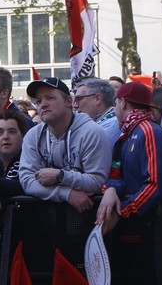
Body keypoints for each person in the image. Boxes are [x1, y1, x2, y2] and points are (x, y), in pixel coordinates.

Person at [18, 77, 113, 211]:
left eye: (50, 98)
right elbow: (27, 181)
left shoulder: (92, 132)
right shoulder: (33, 135)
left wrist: (61, 176)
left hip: (86, 216)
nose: (43, 104)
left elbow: (98, 181)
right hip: (44, 218)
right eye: (38, 101)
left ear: (69, 101)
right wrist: (67, 193)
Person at [97, 81, 162, 233]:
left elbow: (154, 185)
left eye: (116, 103)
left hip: (147, 227)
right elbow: (117, 173)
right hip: (131, 222)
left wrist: (122, 211)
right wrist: (111, 189)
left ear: (123, 103)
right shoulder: (127, 132)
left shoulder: (149, 131)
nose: (115, 107)